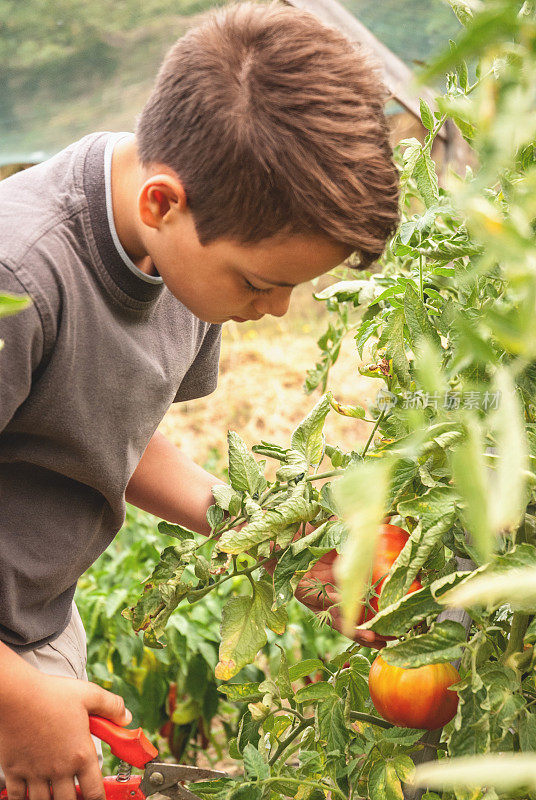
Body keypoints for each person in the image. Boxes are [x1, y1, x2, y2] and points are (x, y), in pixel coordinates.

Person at [0, 3, 400, 799]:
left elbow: (106, 425)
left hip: (33, 632)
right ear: (162, 202)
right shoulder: (19, 279)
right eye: (262, 283)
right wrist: (15, 702)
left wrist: (269, 539)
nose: (279, 310)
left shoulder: (180, 257)